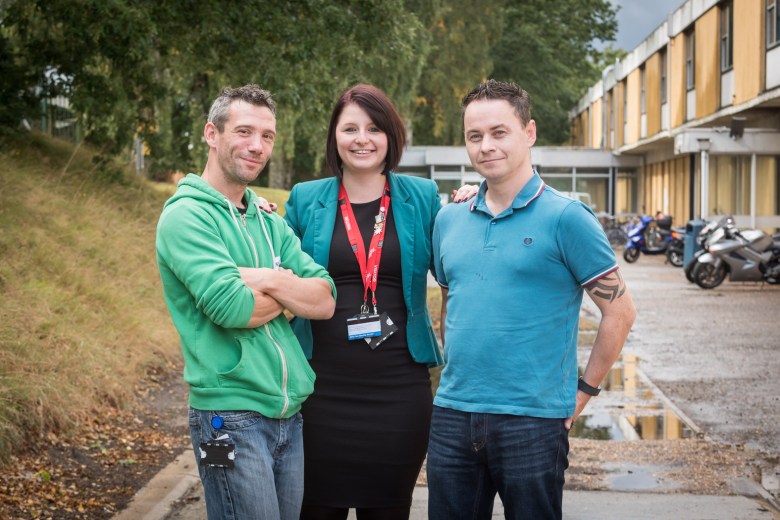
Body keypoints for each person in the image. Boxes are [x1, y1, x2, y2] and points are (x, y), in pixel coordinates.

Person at [428, 79, 637, 520]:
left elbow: (620, 310)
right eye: (474, 136)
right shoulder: (448, 220)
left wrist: (585, 391)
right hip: (452, 414)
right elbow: (452, 304)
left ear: (529, 132)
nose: (486, 146)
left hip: (533, 421)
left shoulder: (567, 217)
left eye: (499, 132)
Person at [283, 84, 475, 520]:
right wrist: (250, 210)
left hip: (398, 394)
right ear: (335, 136)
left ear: (391, 135)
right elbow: (278, 268)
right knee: (314, 509)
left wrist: (470, 202)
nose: (361, 138)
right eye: (350, 128)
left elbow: (457, 266)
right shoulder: (305, 198)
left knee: (389, 510)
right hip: (317, 389)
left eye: (373, 128)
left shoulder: (423, 198)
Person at [155, 84, 336, 520]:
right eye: (244, 131)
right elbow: (235, 309)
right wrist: (290, 288)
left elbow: (326, 297)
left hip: (287, 415)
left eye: (268, 136)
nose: (257, 146)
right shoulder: (186, 216)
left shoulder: (265, 217)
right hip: (229, 419)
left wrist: (268, 278)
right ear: (211, 134)